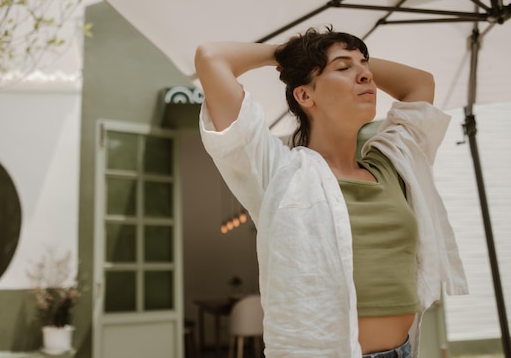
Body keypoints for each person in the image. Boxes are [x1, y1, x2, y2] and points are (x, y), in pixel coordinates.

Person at [195, 26, 468, 358]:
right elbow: (211, 58)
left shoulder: (394, 162)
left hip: (404, 350)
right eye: (344, 68)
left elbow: (420, 83)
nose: (366, 75)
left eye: (365, 65)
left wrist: (343, 58)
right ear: (305, 95)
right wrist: (289, 53)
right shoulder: (279, 171)